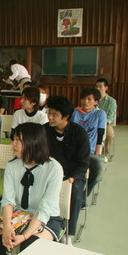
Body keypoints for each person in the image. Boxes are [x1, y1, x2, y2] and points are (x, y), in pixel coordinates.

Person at [0, 122, 64, 255]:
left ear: (33, 143)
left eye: (18, 140)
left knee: (29, 247)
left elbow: (45, 209)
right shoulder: (12, 165)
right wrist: (7, 227)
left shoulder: (54, 168)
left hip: (47, 218)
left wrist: (25, 235)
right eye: (14, 139)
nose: (13, 144)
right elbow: (8, 200)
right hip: (20, 214)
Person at [44, 96, 90, 240]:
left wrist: (70, 179)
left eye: (54, 115)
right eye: (49, 113)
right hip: (49, 173)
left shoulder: (79, 133)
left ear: (66, 117)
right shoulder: (44, 130)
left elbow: (84, 163)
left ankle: (69, 232)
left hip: (71, 176)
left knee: (75, 191)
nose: (49, 117)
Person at [70, 88, 107, 195]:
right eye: (83, 98)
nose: (85, 101)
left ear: (96, 101)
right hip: (74, 151)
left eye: (89, 99)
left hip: (90, 152)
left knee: (99, 167)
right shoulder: (74, 112)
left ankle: (84, 195)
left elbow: (100, 134)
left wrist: (98, 151)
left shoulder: (100, 114)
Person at [95, 78, 117, 161]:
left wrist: (103, 124)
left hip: (106, 123)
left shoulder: (111, 101)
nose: (98, 88)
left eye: (100, 86)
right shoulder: (93, 99)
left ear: (106, 88)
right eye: (96, 86)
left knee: (109, 134)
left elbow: (111, 116)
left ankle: (105, 153)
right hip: (93, 121)